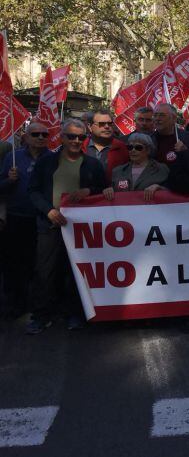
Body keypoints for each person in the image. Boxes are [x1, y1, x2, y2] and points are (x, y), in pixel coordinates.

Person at [27, 119, 106, 334]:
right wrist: (48, 211)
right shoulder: (46, 162)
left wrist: (89, 191)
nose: (76, 141)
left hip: (80, 230)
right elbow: (32, 190)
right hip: (50, 226)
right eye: (71, 136)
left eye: (80, 137)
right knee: (45, 272)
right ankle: (41, 316)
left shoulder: (93, 164)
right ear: (62, 137)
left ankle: (75, 314)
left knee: (77, 274)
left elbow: (105, 188)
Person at [0, 122, 52, 318]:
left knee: (37, 264)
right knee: (13, 263)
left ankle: (36, 303)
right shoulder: (13, 157)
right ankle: (13, 302)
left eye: (44, 135)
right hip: (16, 217)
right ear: (27, 136)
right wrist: (9, 180)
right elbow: (1, 186)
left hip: (42, 219)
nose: (40, 138)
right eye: (36, 134)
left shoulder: (53, 159)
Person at [103, 133, 169, 201]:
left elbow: (172, 193)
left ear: (148, 150)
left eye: (138, 147)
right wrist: (108, 190)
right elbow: (112, 189)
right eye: (130, 147)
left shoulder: (161, 169)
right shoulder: (118, 171)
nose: (133, 150)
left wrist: (160, 188)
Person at [83, 109, 129, 182]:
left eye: (110, 123)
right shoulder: (79, 146)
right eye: (101, 124)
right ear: (89, 126)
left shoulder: (122, 148)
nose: (107, 127)